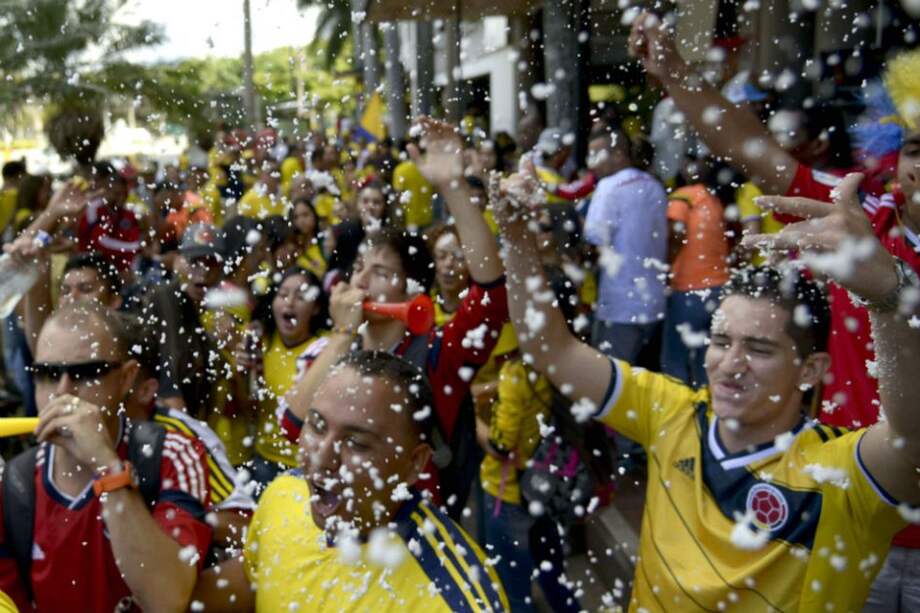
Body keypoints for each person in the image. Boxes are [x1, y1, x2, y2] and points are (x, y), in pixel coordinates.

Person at [493, 160, 920, 610]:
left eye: (758, 349)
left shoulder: (838, 472)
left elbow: (910, 441)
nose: (730, 364)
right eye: (720, 341)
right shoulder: (671, 412)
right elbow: (551, 350)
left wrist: (886, 295)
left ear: (811, 370)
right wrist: (517, 238)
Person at [280, 118, 509, 517]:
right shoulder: (332, 348)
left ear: (415, 293)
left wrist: (453, 187)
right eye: (358, 269)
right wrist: (340, 336)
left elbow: (491, 298)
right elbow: (293, 427)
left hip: (411, 535)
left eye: (382, 273)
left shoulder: (439, 353)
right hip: (340, 527)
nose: (362, 282)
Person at [191, 350, 508, 611]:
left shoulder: (454, 599)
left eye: (356, 443)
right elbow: (256, 580)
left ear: (415, 463)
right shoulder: (285, 493)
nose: (322, 457)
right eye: (316, 426)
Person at [0, 302, 212, 612]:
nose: (62, 391)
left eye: (85, 373)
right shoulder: (13, 485)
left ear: (127, 378)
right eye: (46, 373)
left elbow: (166, 599)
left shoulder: (172, 455)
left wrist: (107, 467)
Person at [584, 127, 669, 364]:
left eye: (597, 154)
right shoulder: (655, 186)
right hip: (654, 303)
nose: (592, 163)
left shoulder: (609, 187)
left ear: (619, 154)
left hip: (620, 304)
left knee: (611, 379)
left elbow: (594, 239)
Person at [662, 158, 731, 386]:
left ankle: (677, 414)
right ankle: (707, 412)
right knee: (706, 359)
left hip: (689, 288)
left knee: (675, 361)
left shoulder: (683, 196)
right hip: (719, 288)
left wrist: (664, 269)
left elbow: (675, 235)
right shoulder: (714, 199)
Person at [392, 140, 434, 229]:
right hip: (428, 216)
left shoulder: (400, 170)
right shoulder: (427, 167)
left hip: (410, 219)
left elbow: (398, 195)